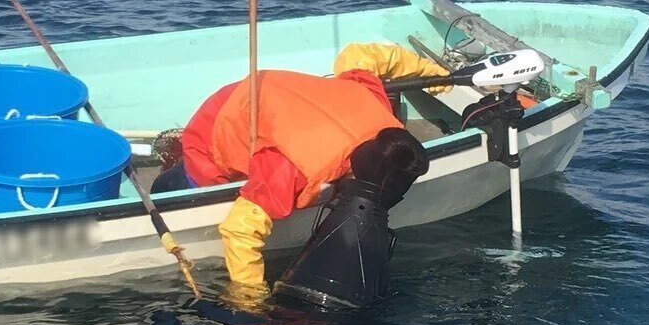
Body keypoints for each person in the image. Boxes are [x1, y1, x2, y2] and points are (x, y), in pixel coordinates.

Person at [152, 43, 450, 290]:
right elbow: (239, 230)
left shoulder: (376, 109)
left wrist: (434, 74)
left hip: (273, 94)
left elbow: (358, 56)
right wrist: (250, 304)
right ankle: (165, 181)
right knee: (194, 182)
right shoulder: (298, 167)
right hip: (219, 124)